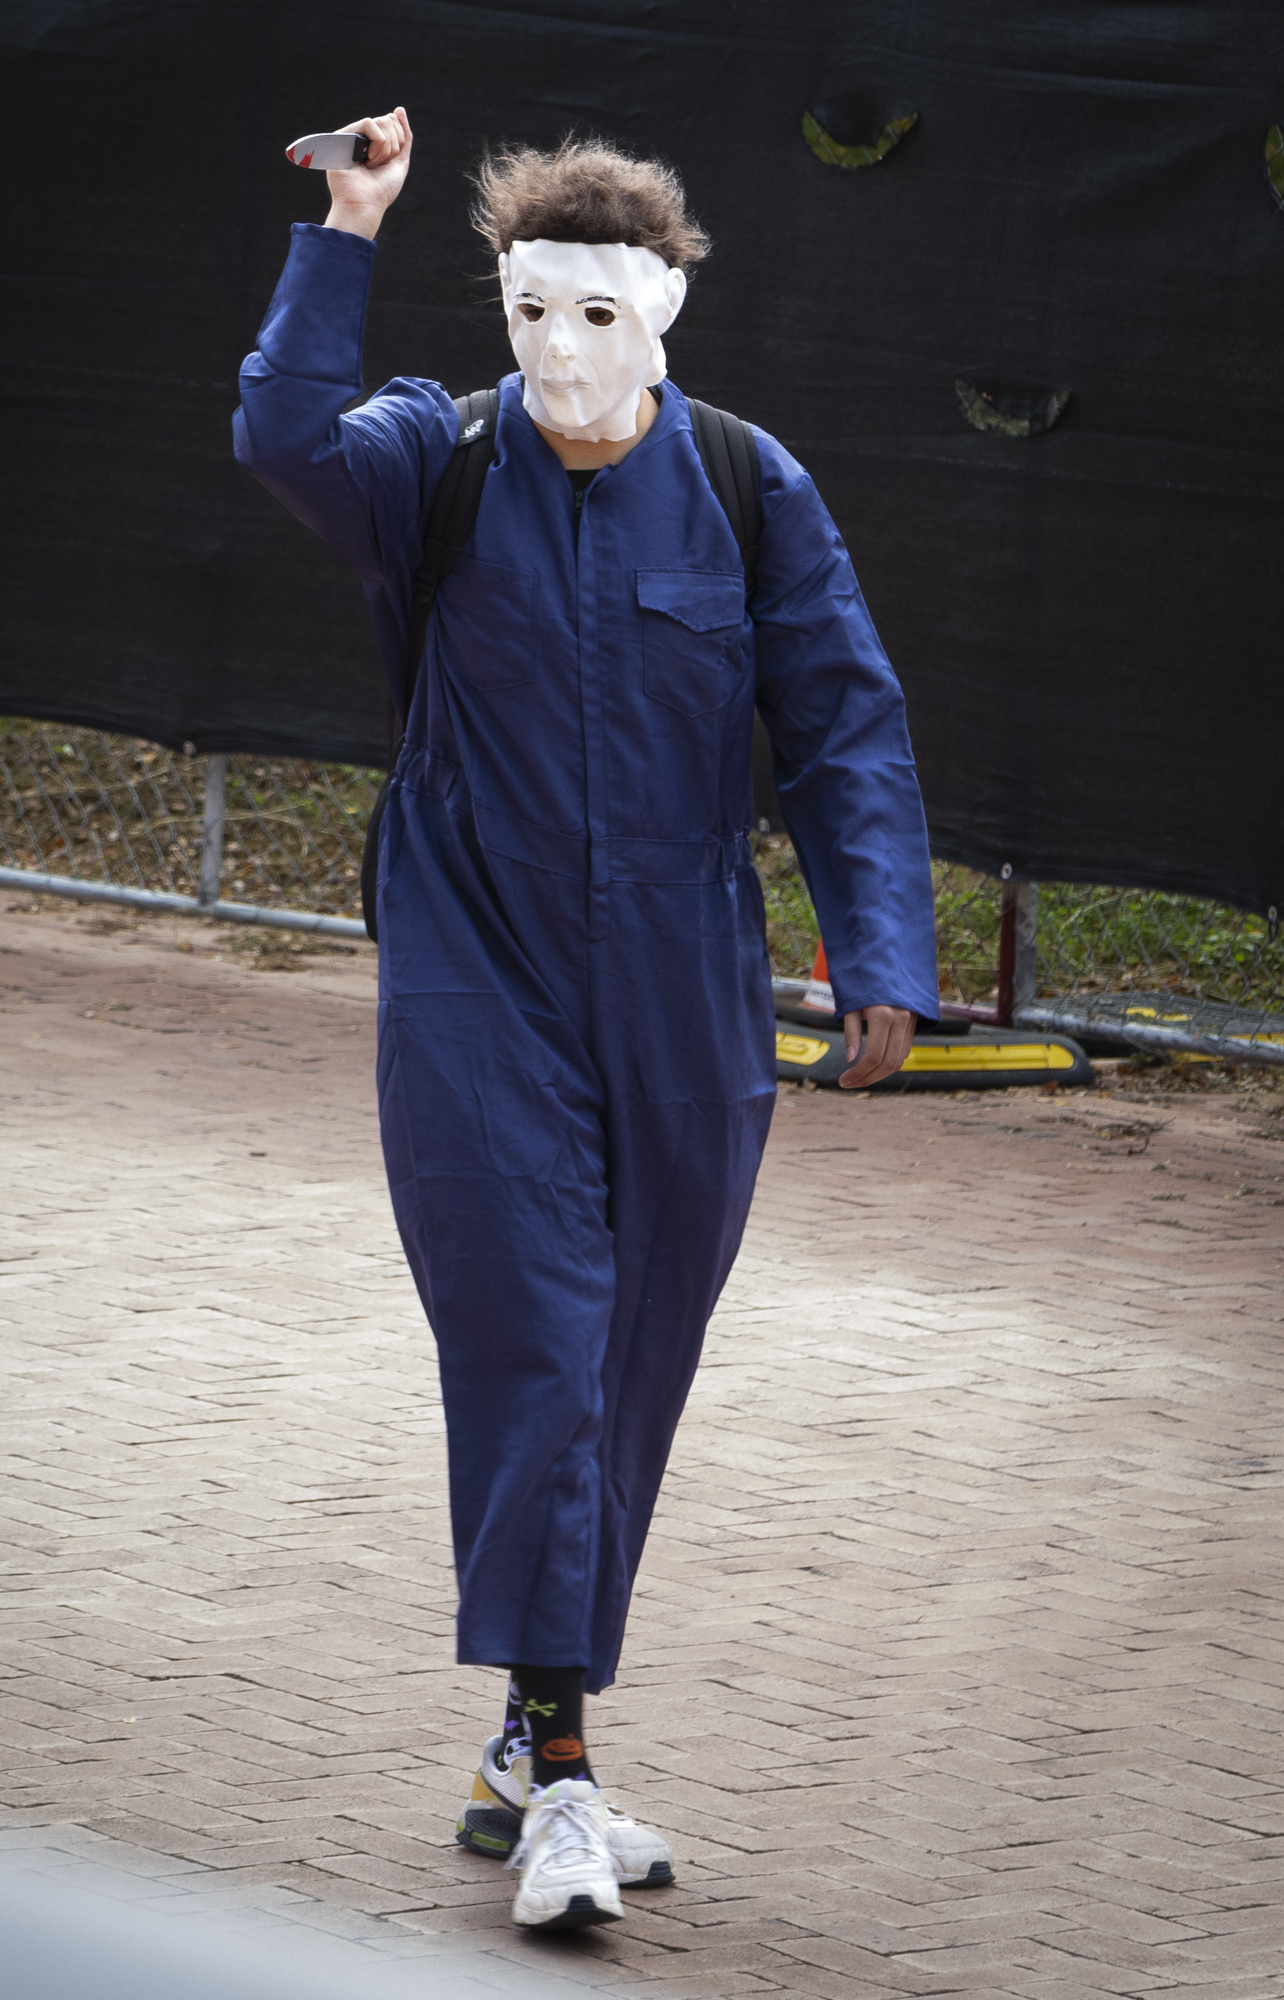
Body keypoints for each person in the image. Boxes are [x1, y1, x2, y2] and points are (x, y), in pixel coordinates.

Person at [234, 107, 938, 1931]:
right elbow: (280, 436)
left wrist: (878, 953)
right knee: (540, 1334)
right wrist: (348, 229)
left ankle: (521, 1735)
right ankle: (562, 1778)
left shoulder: (745, 482)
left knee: (630, 1364)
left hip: (686, 986)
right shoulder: (431, 451)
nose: (558, 353)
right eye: (529, 311)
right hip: (474, 971)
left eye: (597, 317)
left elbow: (845, 720)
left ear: (665, 313)